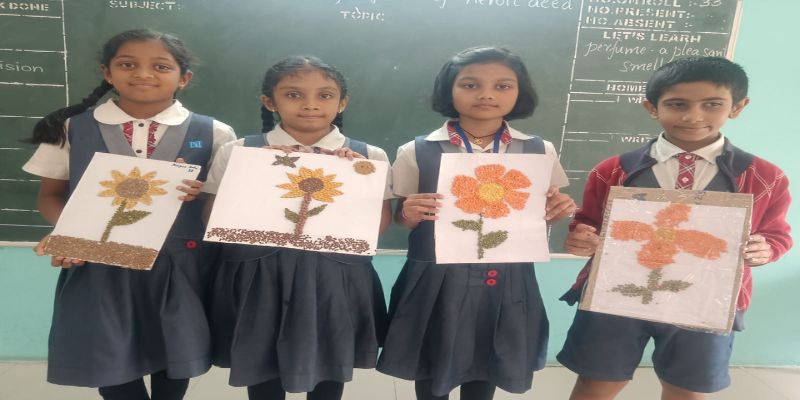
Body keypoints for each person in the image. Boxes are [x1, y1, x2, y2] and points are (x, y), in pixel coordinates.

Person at [557, 56, 793, 400]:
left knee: (686, 389)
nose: (693, 116)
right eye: (677, 104)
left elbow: (776, 234)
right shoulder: (613, 170)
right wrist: (582, 237)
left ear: (738, 107)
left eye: (712, 104)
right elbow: (588, 222)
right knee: (597, 382)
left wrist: (765, 249)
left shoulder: (765, 177)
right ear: (652, 108)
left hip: (707, 302)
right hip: (616, 296)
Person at [23, 29, 237, 400]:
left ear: (184, 78)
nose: (143, 73)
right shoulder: (72, 128)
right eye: (127, 64)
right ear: (107, 72)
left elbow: (224, 205)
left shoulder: (216, 132)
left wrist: (201, 192)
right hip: (98, 265)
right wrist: (73, 233)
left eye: (161, 66)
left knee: (175, 353)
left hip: (180, 266)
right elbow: (50, 196)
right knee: (108, 353)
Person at [377, 46, 576, 400]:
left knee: (488, 357)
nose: (486, 94)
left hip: (506, 275)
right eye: (470, 85)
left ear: (519, 92)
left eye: (502, 86)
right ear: (449, 90)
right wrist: (409, 213)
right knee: (433, 361)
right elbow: (402, 220)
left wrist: (558, 208)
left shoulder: (539, 150)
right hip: (437, 274)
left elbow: (547, 206)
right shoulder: (416, 150)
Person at [203, 55, 392, 400]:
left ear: (342, 103)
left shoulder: (369, 157)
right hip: (259, 274)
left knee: (330, 361)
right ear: (269, 101)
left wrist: (358, 180)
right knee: (261, 363)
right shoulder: (239, 151)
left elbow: (378, 223)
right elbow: (211, 217)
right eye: (293, 94)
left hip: (335, 274)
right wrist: (255, 174)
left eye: (324, 95)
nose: (309, 104)